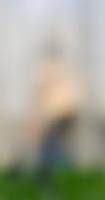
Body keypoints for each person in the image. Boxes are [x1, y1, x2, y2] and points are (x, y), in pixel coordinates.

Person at [26, 42, 81, 179]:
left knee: (53, 148)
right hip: (55, 118)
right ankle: (53, 175)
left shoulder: (58, 71)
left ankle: (55, 175)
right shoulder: (52, 71)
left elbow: (67, 100)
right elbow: (41, 97)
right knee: (50, 149)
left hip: (61, 116)